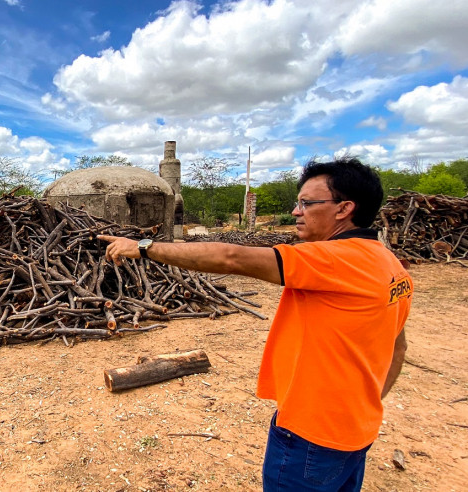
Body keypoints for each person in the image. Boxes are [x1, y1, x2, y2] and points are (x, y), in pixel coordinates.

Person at [98, 157, 411, 491]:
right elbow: (398, 346)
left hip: (311, 435)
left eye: (307, 203)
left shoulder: (333, 259)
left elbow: (232, 258)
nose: (296, 212)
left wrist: (143, 247)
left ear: (344, 208)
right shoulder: (390, 265)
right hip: (357, 430)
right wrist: (361, 407)